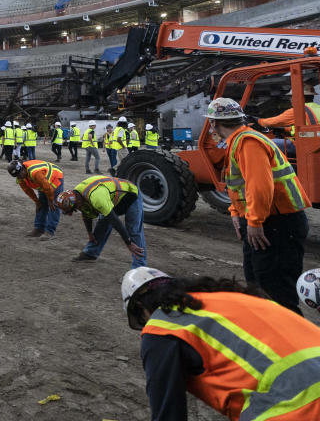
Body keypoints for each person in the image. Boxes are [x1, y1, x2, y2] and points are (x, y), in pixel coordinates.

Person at [123, 267, 320, 421]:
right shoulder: (237, 298)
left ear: (140, 306)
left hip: (297, 409)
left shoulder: (162, 325)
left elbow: (168, 411)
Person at [206, 97, 309, 313]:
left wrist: (254, 222)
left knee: (277, 292)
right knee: (258, 285)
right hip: (269, 222)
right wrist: (236, 212)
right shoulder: (240, 141)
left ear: (214, 123)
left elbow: (260, 187)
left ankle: (289, 341)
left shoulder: (247, 142)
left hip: (277, 224)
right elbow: (239, 186)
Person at [56, 175, 146, 268]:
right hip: (113, 198)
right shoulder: (77, 194)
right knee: (102, 225)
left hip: (130, 195)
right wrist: (90, 233)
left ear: (77, 202)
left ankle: (139, 266)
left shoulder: (97, 199)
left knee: (133, 231)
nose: (73, 212)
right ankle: (90, 254)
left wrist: (129, 243)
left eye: (74, 209)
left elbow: (115, 221)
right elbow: (86, 214)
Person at [256, 83, 319, 156]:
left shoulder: (298, 110)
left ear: (300, 97)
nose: (291, 99)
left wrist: (258, 120)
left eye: (292, 96)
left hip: (305, 146)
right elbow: (308, 126)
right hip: (315, 145)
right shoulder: (317, 108)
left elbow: (272, 122)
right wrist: (286, 129)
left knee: (265, 142)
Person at [10, 159, 62, 241]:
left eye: (20, 174)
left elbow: (48, 189)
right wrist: (36, 201)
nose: (20, 177)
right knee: (41, 204)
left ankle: (50, 232)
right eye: (17, 176)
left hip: (55, 177)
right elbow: (27, 190)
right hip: (42, 182)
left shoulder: (35, 173)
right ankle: (39, 228)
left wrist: (51, 200)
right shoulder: (20, 176)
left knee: (54, 206)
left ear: (23, 169)